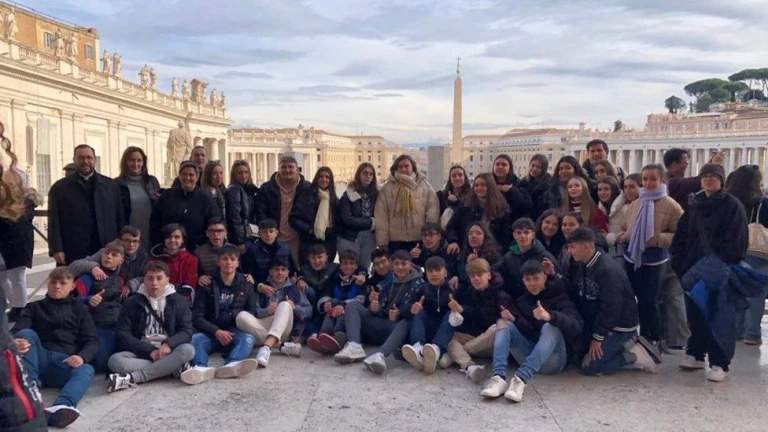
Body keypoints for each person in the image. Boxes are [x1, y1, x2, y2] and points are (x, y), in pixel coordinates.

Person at [671, 163, 752, 381]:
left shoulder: (732, 206)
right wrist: (680, 264)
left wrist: (717, 263)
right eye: (704, 176)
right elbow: (681, 237)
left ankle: (719, 362)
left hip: (718, 269)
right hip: (693, 269)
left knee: (719, 316)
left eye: (713, 176)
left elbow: (737, 241)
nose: (708, 179)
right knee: (695, 314)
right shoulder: (695, 205)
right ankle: (696, 353)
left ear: (721, 180)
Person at [480, 261, 583, 402]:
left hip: (554, 360)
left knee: (550, 326)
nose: (532, 283)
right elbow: (529, 331)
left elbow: (577, 325)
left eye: (536, 278)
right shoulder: (523, 301)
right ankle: (498, 377)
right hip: (529, 354)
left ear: (544, 277)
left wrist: (550, 316)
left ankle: (520, 379)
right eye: (528, 279)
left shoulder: (559, 297)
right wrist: (515, 320)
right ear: (523, 281)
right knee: (503, 323)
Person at [561, 228, 658, 376]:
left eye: (572, 247)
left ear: (586, 246)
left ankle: (634, 354)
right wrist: (555, 275)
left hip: (618, 327)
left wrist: (597, 338)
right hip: (597, 323)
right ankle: (616, 348)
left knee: (590, 367)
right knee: (577, 358)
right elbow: (576, 289)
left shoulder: (607, 270)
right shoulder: (584, 263)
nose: (569, 251)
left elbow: (611, 308)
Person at [12, 267, 96, 428]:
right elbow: (16, 330)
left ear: (72, 286)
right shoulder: (34, 307)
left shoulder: (80, 309)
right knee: (25, 334)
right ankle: (32, 397)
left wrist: (81, 357)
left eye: (62, 283)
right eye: (53, 282)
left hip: (64, 360)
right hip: (38, 357)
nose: (57, 286)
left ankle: (60, 408)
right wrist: (14, 342)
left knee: (86, 369)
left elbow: (91, 340)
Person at [619, 164, 683, 352]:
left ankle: (656, 337)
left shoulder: (671, 205)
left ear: (661, 180)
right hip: (633, 256)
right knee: (639, 299)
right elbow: (625, 226)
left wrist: (656, 239)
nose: (648, 183)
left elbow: (680, 235)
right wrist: (624, 235)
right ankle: (644, 337)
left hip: (656, 258)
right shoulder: (636, 203)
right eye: (645, 179)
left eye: (653, 179)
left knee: (651, 300)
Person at [107, 262, 196, 392]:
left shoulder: (178, 300)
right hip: (142, 350)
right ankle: (173, 368)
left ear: (167, 280)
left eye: (159, 278)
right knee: (115, 361)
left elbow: (186, 331)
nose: (154, 283)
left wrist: (168, 344)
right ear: (144, 280)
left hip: (169, 350)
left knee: (188, 350)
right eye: (150, 278)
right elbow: (122, 335)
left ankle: (132, 378)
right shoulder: (132, 302)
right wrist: (150, 351)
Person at [333, 250, 424, 374]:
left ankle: (381, 355)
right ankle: (354, 345)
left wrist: (400, 313)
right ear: (392, 265)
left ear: (410, 265)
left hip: (400, 328)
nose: (400, 267)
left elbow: (417, 309)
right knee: (352, 305)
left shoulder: (419, 283)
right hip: (383, 324)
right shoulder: (388, 283)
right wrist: (374, 308)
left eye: (404, 264)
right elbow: (382, 308)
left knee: (407, 321)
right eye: (397, 264)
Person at [186, 245, 258, 384]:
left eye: (232, 259)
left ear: (237, 262)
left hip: (235, 332)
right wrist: (216, 331)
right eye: (224, 259)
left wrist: (233, 319)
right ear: (218, 262)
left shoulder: (246, 283)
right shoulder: (207, 283)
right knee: (194, 340)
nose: (228, 262)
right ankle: (201, 368)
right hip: (211, 332)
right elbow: (197, 317)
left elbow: (252, 312)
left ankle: (232, 364)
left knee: (249, 339)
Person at [49, 144, 124, 265]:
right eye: (81, 158)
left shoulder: (110, 185)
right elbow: (53, 221)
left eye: (89, 158)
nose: (85, 161)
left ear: (95, 160)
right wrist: (56, 248)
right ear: (74, 160)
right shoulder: (60, 188)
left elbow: (119, 217)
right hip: (73, 248)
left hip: (105, 247)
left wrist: (120, 244)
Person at [447, 258, 514, 383]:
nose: (476, 278)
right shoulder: (471, 293)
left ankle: (458, 353)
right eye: (473, 276)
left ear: (488, 275)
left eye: (479, 275)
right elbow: (475, 314)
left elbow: (510, 323)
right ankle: (468, 366)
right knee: (452, 336)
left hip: (495, 345)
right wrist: (462, 309)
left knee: (498, 327)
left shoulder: (501, 296)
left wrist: (510, 317)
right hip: (478, 339)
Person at [235, 257, 308, 367]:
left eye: (283, 269)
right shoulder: (262, 288)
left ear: (288, 272)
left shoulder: (295, 288)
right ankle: (281, 346)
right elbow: (254, 311)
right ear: (270, 271)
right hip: (264, 323)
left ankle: (266, 348)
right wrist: (267, 311)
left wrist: (294, 307)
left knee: (284, 305)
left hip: (284, 328)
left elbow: (308, 311)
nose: (280, 273)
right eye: (276, 269)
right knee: (240, 317)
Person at [71, 239, 125, 372]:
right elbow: (72, 301)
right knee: (101, 363)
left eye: (114, 255)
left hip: (117, 326)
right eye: (106, 253)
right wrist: (88, 300)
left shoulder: (119, 279)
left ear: (121, 260)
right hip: (96, 327)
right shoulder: (88, 277)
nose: (109, 257)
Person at [728, 165, 768, 345]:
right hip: (758, 252)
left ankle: (736, 331)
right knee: (756, 294)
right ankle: (752, 334)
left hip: (734, 250)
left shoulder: (728, 201)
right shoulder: (763, 203)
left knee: (736, 292)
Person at [151, 161, 220, 253]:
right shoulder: (167, 196)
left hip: (196, 250)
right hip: (168, 249)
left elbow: (214, 222)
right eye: (184, 174)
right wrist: (158, 243)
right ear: (179, 176)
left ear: (197, 177)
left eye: (191, 175)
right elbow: (155, 221)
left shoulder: (206, 199)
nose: (187, 178)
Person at [375, 155, 439, 253]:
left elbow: (432, 212)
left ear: (413, 167)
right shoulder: (387, 188)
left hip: (419, 239)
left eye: (406, 166)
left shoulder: (425, 187)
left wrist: (429, 235)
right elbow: (381, 217)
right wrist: (382, 241)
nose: (403, 169)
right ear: (395, 168)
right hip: (395, 241)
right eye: (400, 167)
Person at [401, 256, 455, 374]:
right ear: (426, 274)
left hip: (448, 333)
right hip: (429, 330)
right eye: (430, 271)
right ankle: (419, 349)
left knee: (452, 314)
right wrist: (411, 309)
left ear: (445, 272)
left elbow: (467, 310)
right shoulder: (423, 289)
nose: (434, 274)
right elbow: (404, 308)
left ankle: (436, 350)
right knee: (418, 311)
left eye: (437, 270)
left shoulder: (453, 288)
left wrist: (459, 308)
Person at [254, 155, 312, 265]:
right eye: (283, 167)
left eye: (290, 167)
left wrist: (307, 229)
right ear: (279, 170)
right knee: (275, 268)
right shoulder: (267, 188)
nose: (287, 170)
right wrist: (268, 231)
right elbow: (260, 211)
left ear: (297, 169)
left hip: (297, 237)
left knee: (297, 268)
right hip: (274, 237)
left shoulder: (307, 188)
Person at [307, 250, 366, 355]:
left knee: (341, 310)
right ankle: (323, 336)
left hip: (352, 314)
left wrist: (343, 305)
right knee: (332, 304)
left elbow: (361, 299)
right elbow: (326, 293)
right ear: (341, 266)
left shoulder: (361, 280)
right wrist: (325, 304)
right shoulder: (335, 278)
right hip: (334, 311)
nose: (348, 266)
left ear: (357, 266)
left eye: (352, 263)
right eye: (345, 263)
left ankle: (338, 338)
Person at [0, 170, 39, 322]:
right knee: (3, 277)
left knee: (16, 277)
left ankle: (20, 308)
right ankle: (13, 304)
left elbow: (18, 221)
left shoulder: (24, 200)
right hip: (6, 241)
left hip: (17, 243)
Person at [69, 225, 148, 296]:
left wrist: (131, 285)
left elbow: (147, 277)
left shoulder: (143, 256)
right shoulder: (108, 252)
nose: (131, 245)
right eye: (127, 240)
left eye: (135, 241)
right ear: (120, 240)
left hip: (132, 293)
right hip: (104, 295)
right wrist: (93, 267)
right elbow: (73, 266)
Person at [493, 218, 559, 299]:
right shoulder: (509, 256)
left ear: (533, 235)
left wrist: (552, 274)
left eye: (526, 232)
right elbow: (494, 271)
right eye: (519, 233)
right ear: (514, 235)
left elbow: (560, 282)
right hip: (518, 300)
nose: (523, 236)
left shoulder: (545, 256)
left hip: (544, 299)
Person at [446, 173, 512, 252]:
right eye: (476, 185)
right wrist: (453, 241)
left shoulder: (502, 209)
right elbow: (451, 227)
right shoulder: (465, 206)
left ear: (491, 186)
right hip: (466, 250)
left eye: (483, 185)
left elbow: (505, 238)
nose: (479, 188)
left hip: (493, 252)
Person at [291, 166, 340, 265]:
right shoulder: (305, 196)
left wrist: (332, 233)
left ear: (331, 180)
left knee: (326, 270)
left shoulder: (334, 200)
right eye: (321, 176)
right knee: (307, 270)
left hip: (328, 242)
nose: (324, 179)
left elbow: (339, 222)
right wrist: (309, 229)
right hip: (308, 241)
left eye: (327, 177)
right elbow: (293, 218)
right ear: (316, 178)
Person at [116, 146, 161, 251]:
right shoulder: (116, 184)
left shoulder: (151, 181)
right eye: (132, 160)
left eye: (139, 160)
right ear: (125, 162)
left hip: (149, 231)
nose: (136, 164)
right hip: (128, 235)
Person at [337, 163, 378, 269]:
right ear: (359, 174)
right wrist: (371, 222)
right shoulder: (348, 194)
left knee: (364, 269)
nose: (368, 176)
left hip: (369, 237)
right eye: (365, 173)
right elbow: (348, 219)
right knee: (348, 269)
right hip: (350, 236)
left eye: (371, 174)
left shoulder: (376, 194)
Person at [241, 219, 296, 293]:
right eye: (264, 232)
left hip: (284, 286)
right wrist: (259, 286)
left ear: (276, 233)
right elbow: (248, 275)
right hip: (262, 287)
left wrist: (299, 279)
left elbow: (292, 268)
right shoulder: (252, 250)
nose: (268, 234)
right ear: (259, 234)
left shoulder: (285, 248)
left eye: (271, 231)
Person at [148, 224, 199, 302]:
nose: (172, 240)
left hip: (179, 300)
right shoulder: (154, 258)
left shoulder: (191, 260)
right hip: (155, 297)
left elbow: (189, 286)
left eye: (177, 237)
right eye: (169, 237)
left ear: (182, 240)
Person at [296, 244, 339, 325]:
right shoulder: (304, 269)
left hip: (326, 300)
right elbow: (295, 275)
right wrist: (300, 280)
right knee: (309, 291)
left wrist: (362, 274)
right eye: (313, 258)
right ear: (309, 259)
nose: (317, 261)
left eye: (320, 257)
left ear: (326, 257)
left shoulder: (334, 267)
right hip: (311, 302)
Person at [452, 222, 502, 288]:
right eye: (470, 233)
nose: (473, 236)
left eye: (478, 233)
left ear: (485, 237)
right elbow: (462, 276)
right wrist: (468, 265)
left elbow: (496, 278)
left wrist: (477, 265)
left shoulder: (494, 256)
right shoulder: (463, 254)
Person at [605, 174, 640, 263]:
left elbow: (631, 234)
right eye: (625, 187)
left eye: (632, 187)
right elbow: (624, 228)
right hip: (627, 252)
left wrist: (610, 237)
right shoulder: (624, 205)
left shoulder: (640, 206)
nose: (627, 190)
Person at [225, 160, 259, 247]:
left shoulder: (248, 189)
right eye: (240, 173)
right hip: (241, 238)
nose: (243, 175)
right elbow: (235, 217)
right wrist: (240, 241)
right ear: (234, 175)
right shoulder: (234, 189)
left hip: (249, 235)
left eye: (246, 172)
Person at [491, 154, 533, 223]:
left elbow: (527, 206)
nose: (500, 167)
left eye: (504, 165)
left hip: (513, 223)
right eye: (497, 164)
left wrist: (511, 191)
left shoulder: (520, 184)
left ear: (510, 168)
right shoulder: (487, 183)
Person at [518, 154, 552, 220]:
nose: (534, 169)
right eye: (532, 165)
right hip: (525, 219)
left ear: (544, 169)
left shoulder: (549, 184)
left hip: (542, 218)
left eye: (539, 167)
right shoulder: (523, 183)